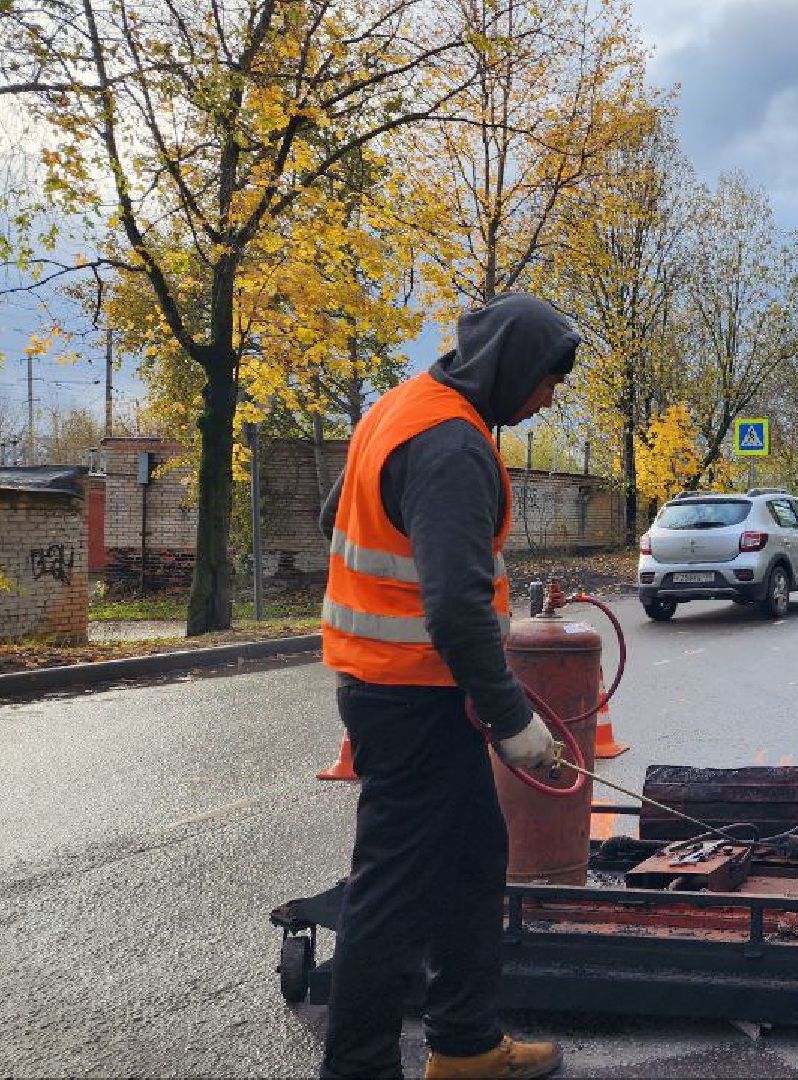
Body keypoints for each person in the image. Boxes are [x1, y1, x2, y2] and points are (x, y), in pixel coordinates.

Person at [317, 293, 577, 1079]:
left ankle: (464, 1046)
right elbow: (456, 605)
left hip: (397, 689)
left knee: (471, 863)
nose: (548, 398)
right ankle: (358, 1068)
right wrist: (514, 721)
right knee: (392, 894)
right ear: (512, 369)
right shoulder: (451, 446)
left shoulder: (400, 407)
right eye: (546, 381)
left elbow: (337, 513)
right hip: (414, 700)